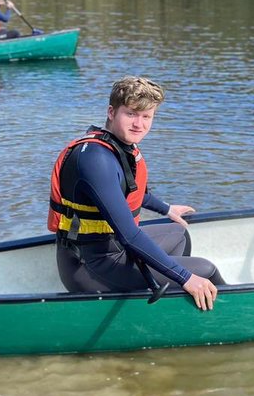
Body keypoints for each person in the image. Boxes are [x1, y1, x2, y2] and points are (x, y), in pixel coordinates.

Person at [48, 76, 223, 309]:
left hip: (112, 250)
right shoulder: (95, 159)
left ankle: (163, 304)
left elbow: (132, 193)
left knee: (179, 233)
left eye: (146, 116)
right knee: (206, 270)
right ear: (111, 112)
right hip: (90, 266)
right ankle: (238, 314)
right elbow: (129, 235)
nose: (139, 125)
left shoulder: (116, 147)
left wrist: (167, 209)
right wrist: (186, 277)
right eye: (131, 114)